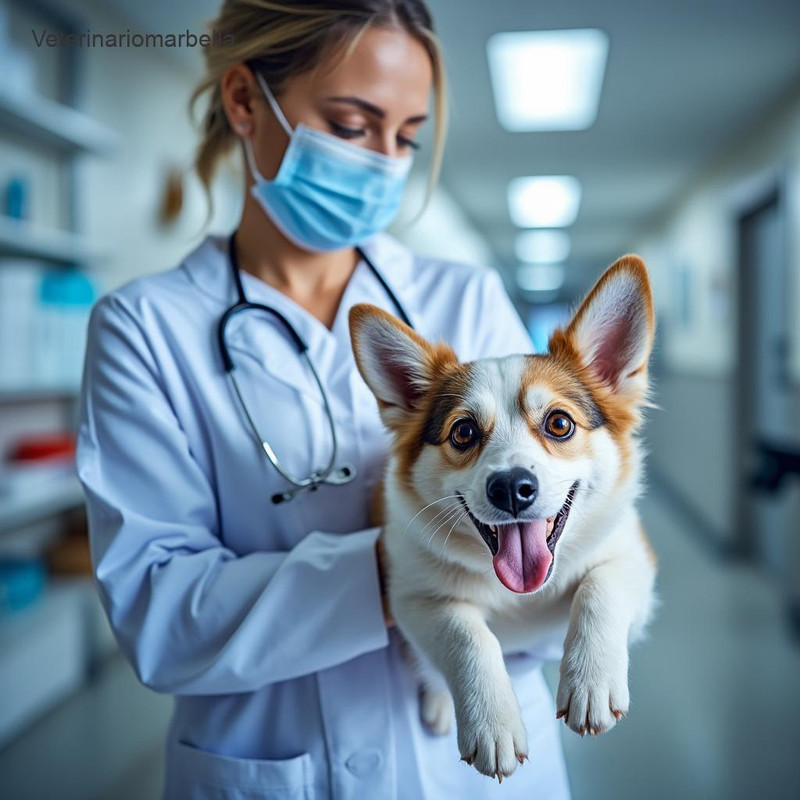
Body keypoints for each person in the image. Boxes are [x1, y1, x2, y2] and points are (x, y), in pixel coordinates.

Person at [75, 1, 572, 798]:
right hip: (274, 766)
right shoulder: (145, 329)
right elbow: (159, 616)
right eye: (351, 126)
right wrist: (395, 572)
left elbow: (559, 554)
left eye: (406, 137)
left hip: (479, 767)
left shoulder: (465, 302)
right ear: (244, 102)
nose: (384, 161)